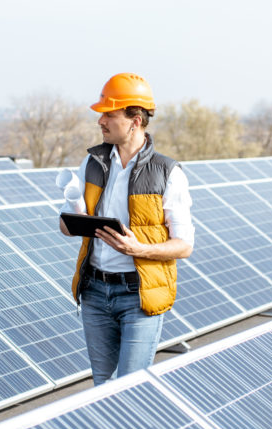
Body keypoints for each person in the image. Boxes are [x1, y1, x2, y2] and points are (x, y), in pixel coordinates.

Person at [59, 72, 194, 385]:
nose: (101, 121)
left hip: (139, 295)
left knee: (130, 389)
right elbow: (67, 228)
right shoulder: (91, 163)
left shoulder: (167, 172)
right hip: (93, 292)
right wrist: (73, 217)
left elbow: (184, 245)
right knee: (102, 388)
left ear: (136, 120)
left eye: (110, 114)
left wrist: (140, 250)